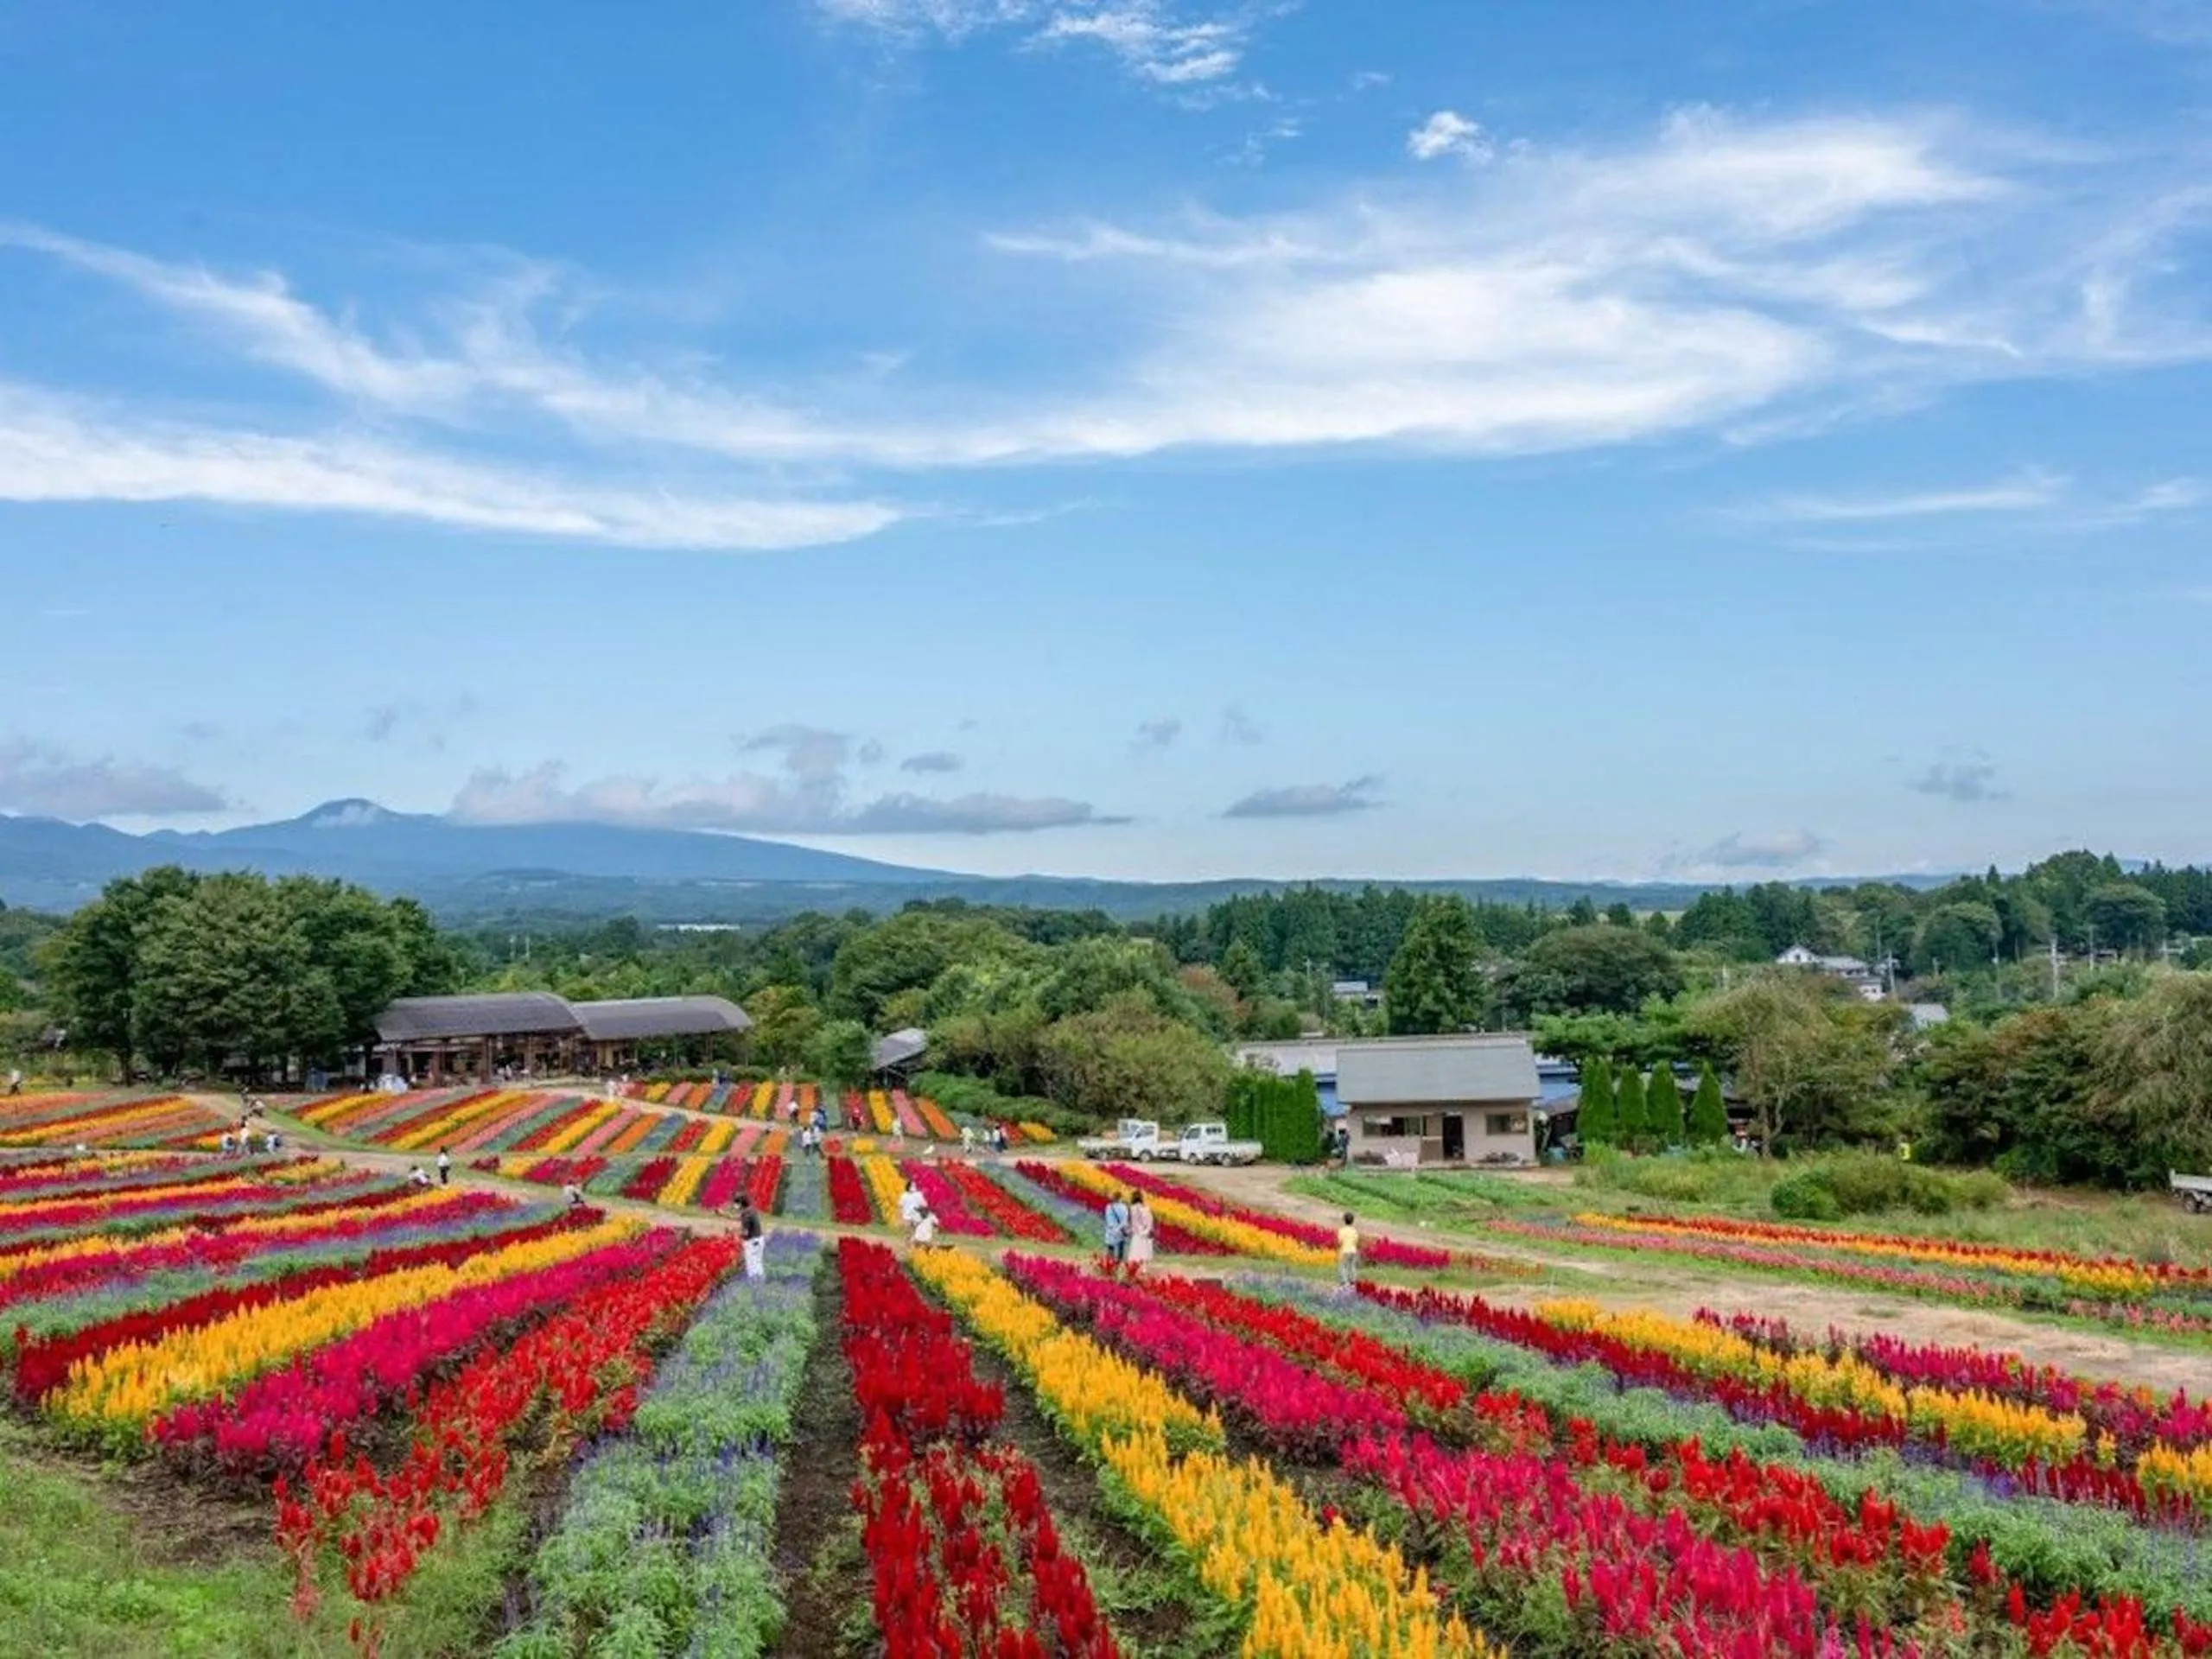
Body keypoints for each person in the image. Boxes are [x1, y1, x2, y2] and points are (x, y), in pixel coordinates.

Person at [737, 1197, 766, 1281]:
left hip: (752, 1242)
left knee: (751, 1264)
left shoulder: (746, 1215)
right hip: (759, 1240)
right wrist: (724, 1215)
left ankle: (753, 1282)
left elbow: (745, 1233)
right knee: (758, 1262)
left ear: (741, 1204)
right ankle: (761, 1281)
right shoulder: (752, 1210)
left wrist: (735, 1234)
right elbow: (740, 1218)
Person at [1126, 1193, 1155, 1272]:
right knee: (1144, 1251)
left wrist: (1131, 1230)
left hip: (1137, 1232)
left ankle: (1134, 1269)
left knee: (1135, 1251)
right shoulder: (1146, 1208)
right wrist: (1148, 1230)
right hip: (1145, 1232)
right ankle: (1144, 1268)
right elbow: (1150, 1220)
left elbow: (1133, 1221)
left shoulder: (1132, 1208)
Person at [1103, 1192, 1132, 1266]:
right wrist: (1121, 1227)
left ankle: (1110, 1263)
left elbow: (1108, 1219)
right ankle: (1119, 1263)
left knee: (1111, 1246)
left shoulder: (1109, 1207)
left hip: (1111, 1229)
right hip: (1121, 1230)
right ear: (1120, 1198)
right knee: (1121, 1246)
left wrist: (1113, 1228)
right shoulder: (1124, 1207)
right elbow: (1125, 1220)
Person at [1337, 1211, 1360, 1293]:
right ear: (1352, 1221)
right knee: (1352, 1267)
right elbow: (1356, 1241)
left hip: (1345, 1250)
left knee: (1343, 1267)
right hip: (1353, 1250)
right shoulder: (1354, 1231)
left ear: (1344, 1220)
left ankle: (1344, 1283)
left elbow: (1339, 1241)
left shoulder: (1342, 1230)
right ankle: (1353, 1283)